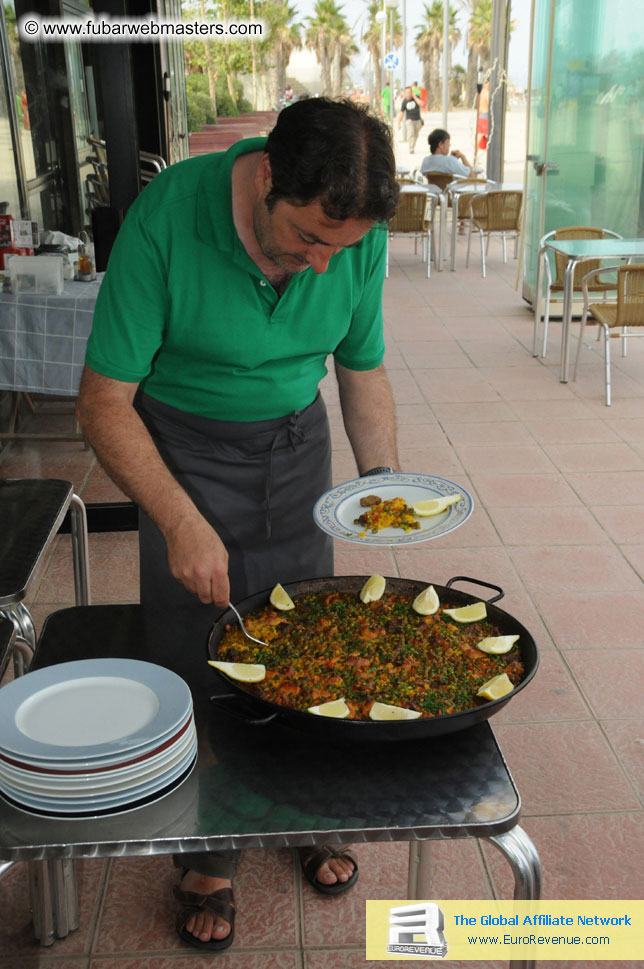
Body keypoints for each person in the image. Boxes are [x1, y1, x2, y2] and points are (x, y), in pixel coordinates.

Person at [76, 98, 400, 952]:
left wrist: (384, 486)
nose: (325, 265)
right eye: (308, 240)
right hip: (181, 449)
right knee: (200, 649)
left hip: (296, 445)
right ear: (265, 178)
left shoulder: (350, 242)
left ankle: (301, 806)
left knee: (305, 636)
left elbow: (361, 374)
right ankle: (210, 851)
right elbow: (104, 404)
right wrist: (179, 519)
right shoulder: (169, 218)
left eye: (344, 247)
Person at [396, 85, 423, 153]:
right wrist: (399, 123)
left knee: (416, 134)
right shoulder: (405, 101)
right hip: (409, 120)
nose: (408, 94)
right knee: (411, 134)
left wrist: (414, 97)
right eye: (407, 92)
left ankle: (412, 144)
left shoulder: (416, 98)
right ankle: (411, 148)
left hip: (418, 119)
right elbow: (401, 112)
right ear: (405, 93)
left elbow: (421, 104)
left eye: (410, 92)